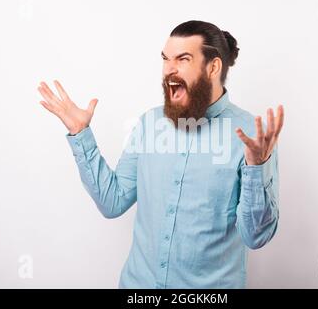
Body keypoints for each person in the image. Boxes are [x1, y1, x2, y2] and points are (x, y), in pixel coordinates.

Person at [37, 20, 284, 288]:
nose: (169, 69)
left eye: (183, 59)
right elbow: (112, 201)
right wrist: (80, 134)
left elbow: (255, 237)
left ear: (213, 67)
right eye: (166, 59)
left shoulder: (252, 135)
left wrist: (257, 168)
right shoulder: (149, 124)